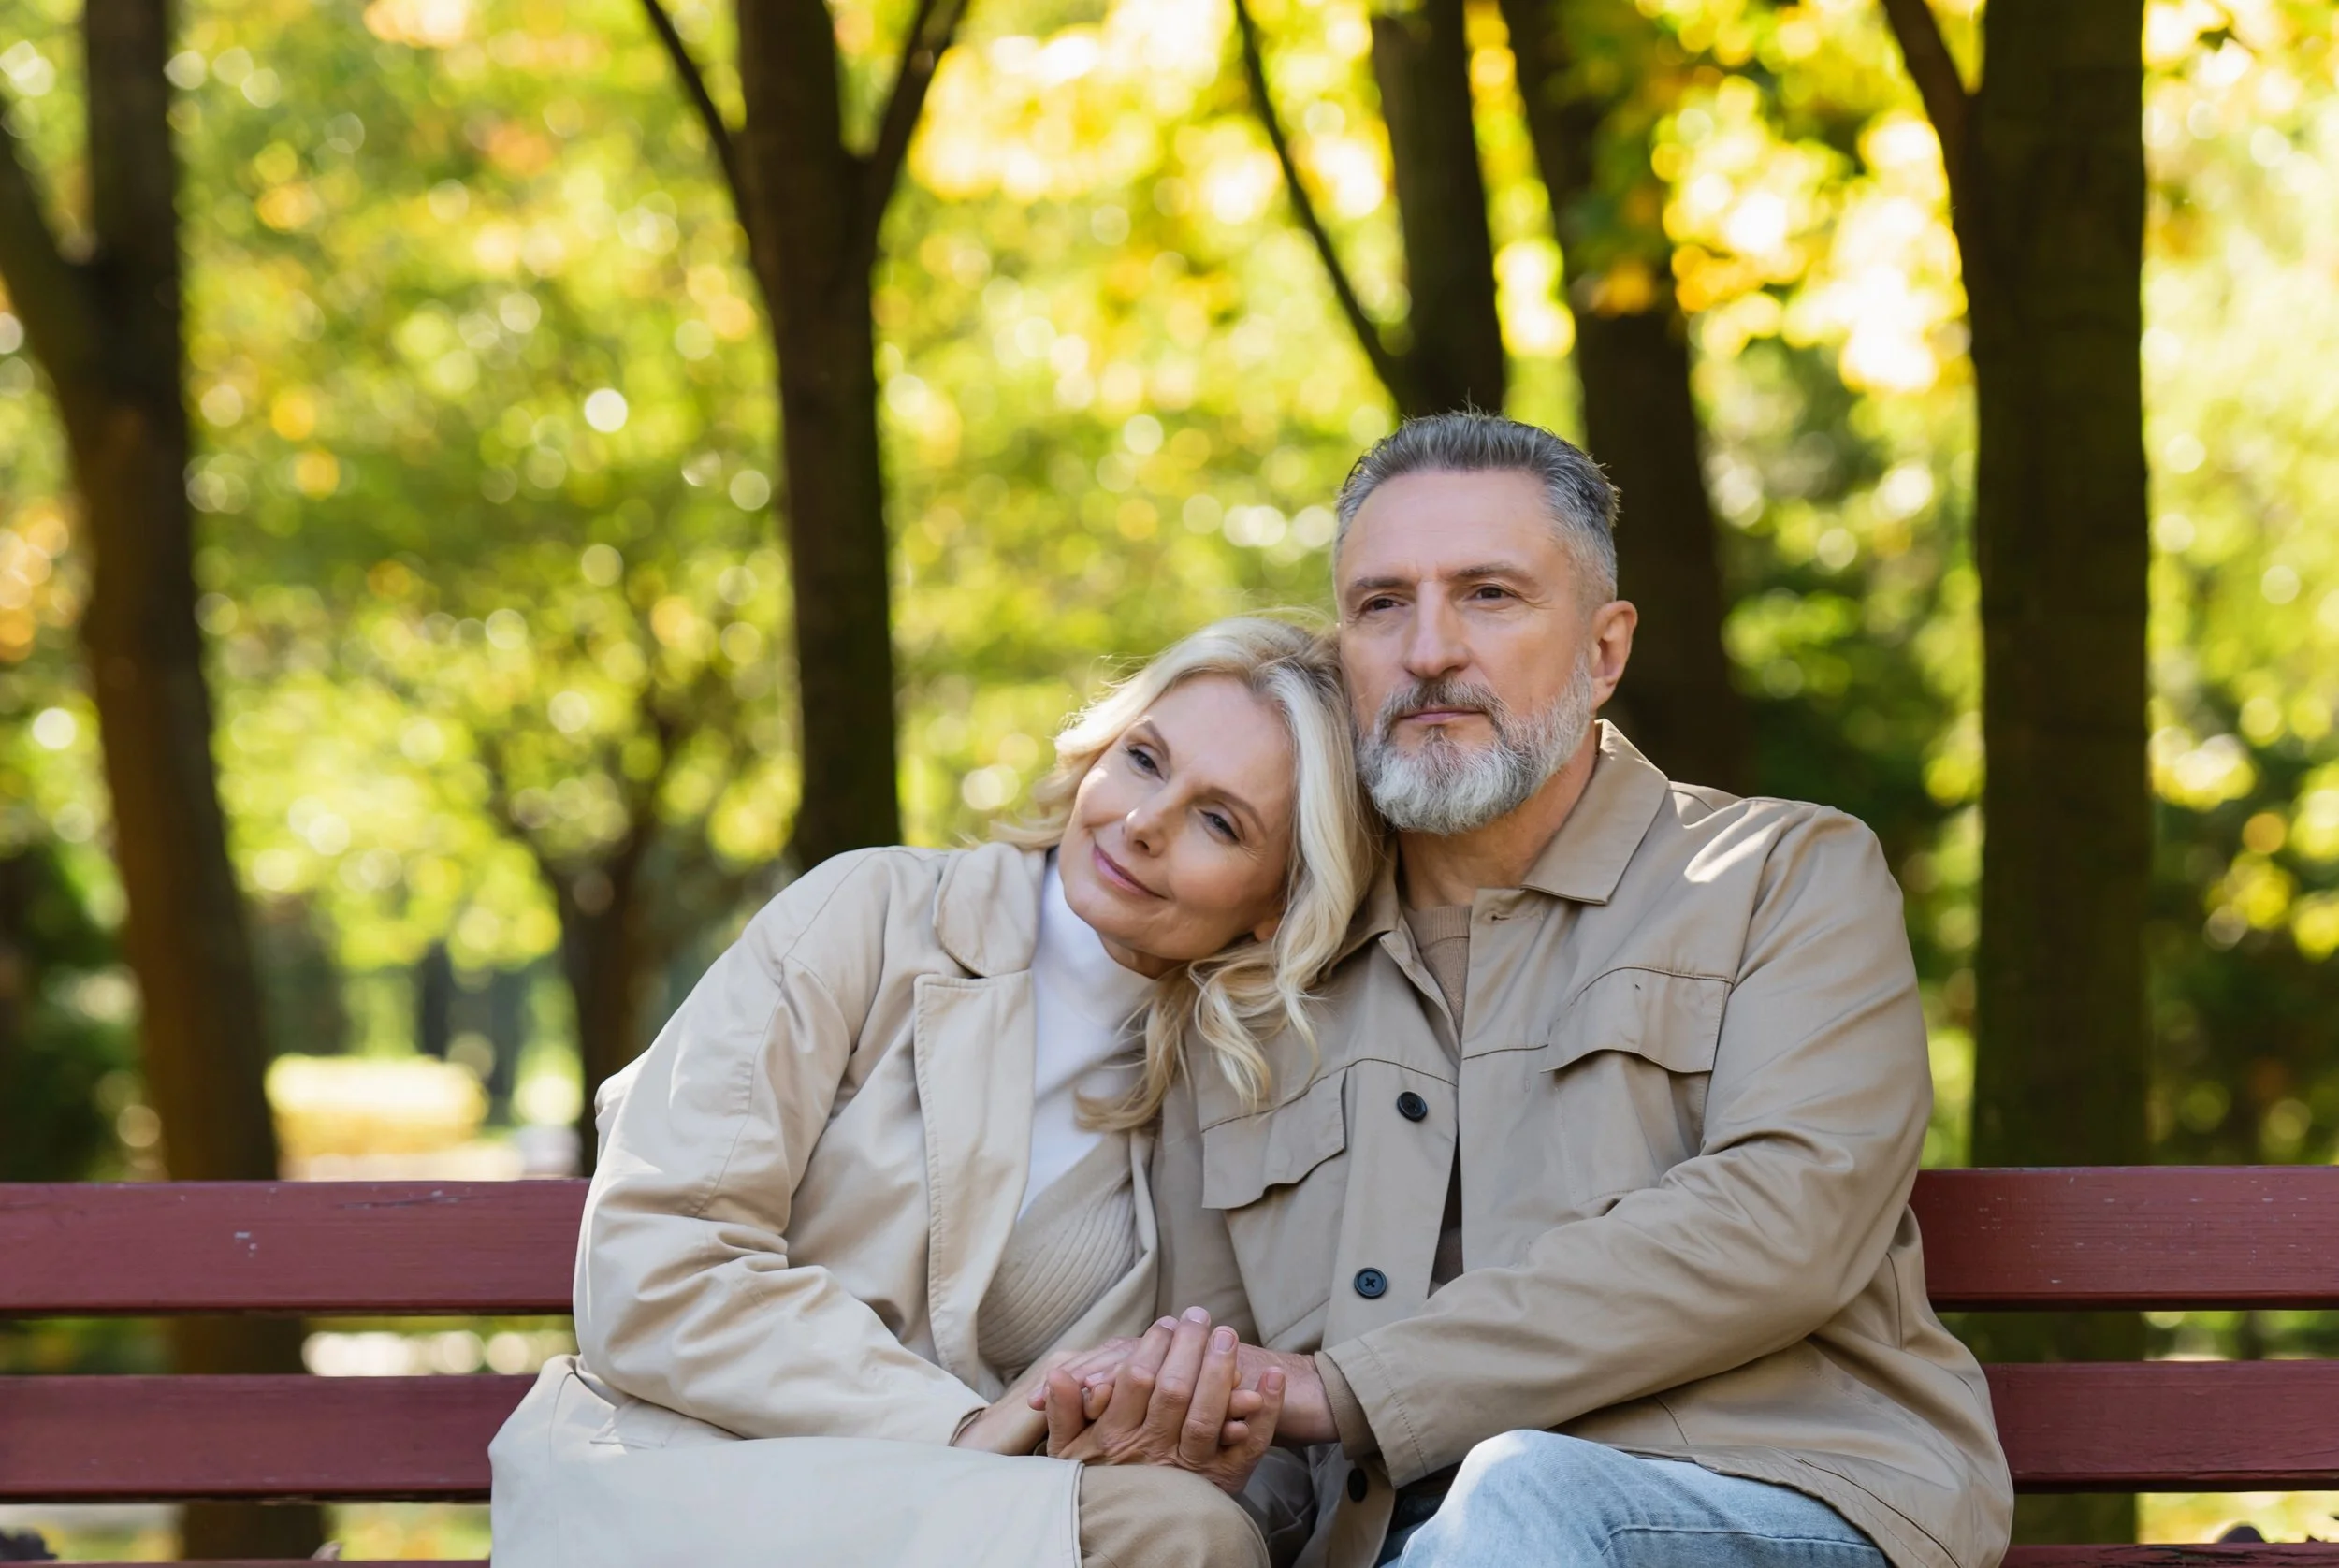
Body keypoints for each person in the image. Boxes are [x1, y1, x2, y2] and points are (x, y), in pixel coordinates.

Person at [1048, 413, 2013, 1568]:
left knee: (1522, 1498)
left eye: (1490, 595)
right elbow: (1239, 1384)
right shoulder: (1264, 976)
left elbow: (1783, 1218)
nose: (1429, 650)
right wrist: (1211, 1451)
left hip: (1773, 1495)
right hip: (1402, 1544)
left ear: (1604, 650)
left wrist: (1348, 1386)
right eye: (1381, 604)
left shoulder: (1783, 876)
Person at [488, 616, 1377, 1568]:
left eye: (1219, 820)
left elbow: (1279, 1461)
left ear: (1279, 900)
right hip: (705, 1478)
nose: (1143, 821)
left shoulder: (1246, 1090)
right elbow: (658, 1263)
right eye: (1145, 758)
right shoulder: (865, 915)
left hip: (980, 1528)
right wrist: (965, 1429)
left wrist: (1192, 1449)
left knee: (1186, 1530)